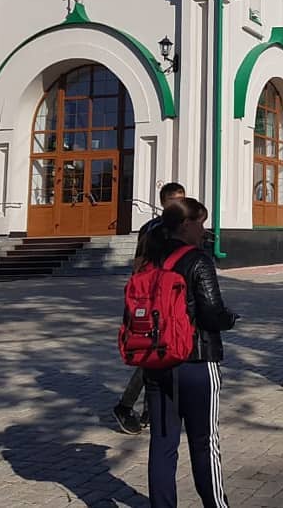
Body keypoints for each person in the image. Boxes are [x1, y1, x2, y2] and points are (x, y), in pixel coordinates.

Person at [141, 198, 238, 508]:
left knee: (162, 443)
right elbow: (211, 312)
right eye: (200, 223)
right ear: (186, 225)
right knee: (205, 442)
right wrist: (230, 318)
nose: (203, 229)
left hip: (156, 361)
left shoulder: (150, 259)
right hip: (196, 360)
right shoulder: (198, 260)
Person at [113, 182, 187, 435]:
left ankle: (147, 410)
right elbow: (140, 261)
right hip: (154, 296)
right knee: (154, 350)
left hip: (170, 295)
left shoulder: (178, 226)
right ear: (164, 202)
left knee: (161, 350)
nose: (180, 205)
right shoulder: (155, 229)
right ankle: (127, 406)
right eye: (176, 200)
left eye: (183, 200)